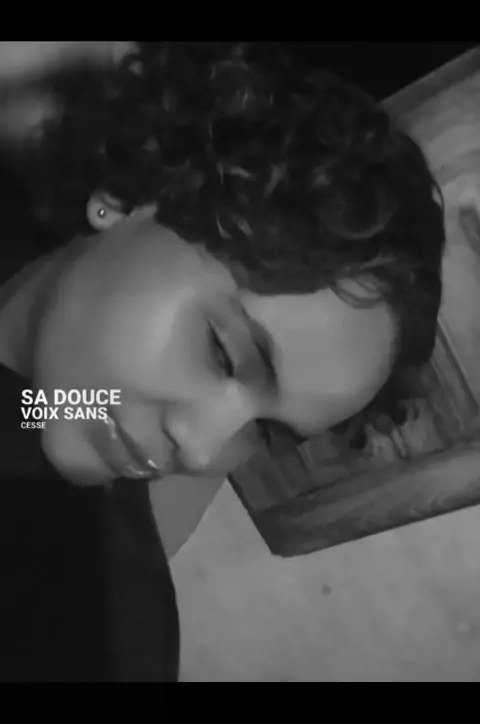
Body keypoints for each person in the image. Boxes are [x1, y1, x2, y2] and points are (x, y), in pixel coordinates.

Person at [0, 42, 445, 681]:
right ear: (122, 203)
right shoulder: (53, 398)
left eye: (265, 430)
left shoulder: (99, 625)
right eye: (222, 352)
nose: (202, 448)